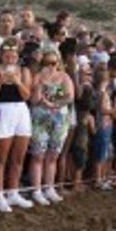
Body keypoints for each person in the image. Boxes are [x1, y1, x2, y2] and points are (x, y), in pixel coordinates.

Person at [0, 40, 33, 212]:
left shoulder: (24, 71)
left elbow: (27, 95)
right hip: (0, 111)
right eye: (7, 54)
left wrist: (17, 81)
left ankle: (13, 192)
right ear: (2, 55)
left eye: (13, 54)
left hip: (21, 111)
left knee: (18, 157)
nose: (10, 57)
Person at [27, 48, 74, 205]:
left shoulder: (64, 77)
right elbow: (34, 99)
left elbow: (69, 96)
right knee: (38, 155)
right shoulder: (37, 77)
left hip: (59, 119)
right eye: (47, 63)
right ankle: (37, 190)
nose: (50, 66)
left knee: (53, 154)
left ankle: (49, 187)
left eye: (53, 63)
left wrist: (53, 104)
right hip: (40, 120)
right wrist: (41, 84)